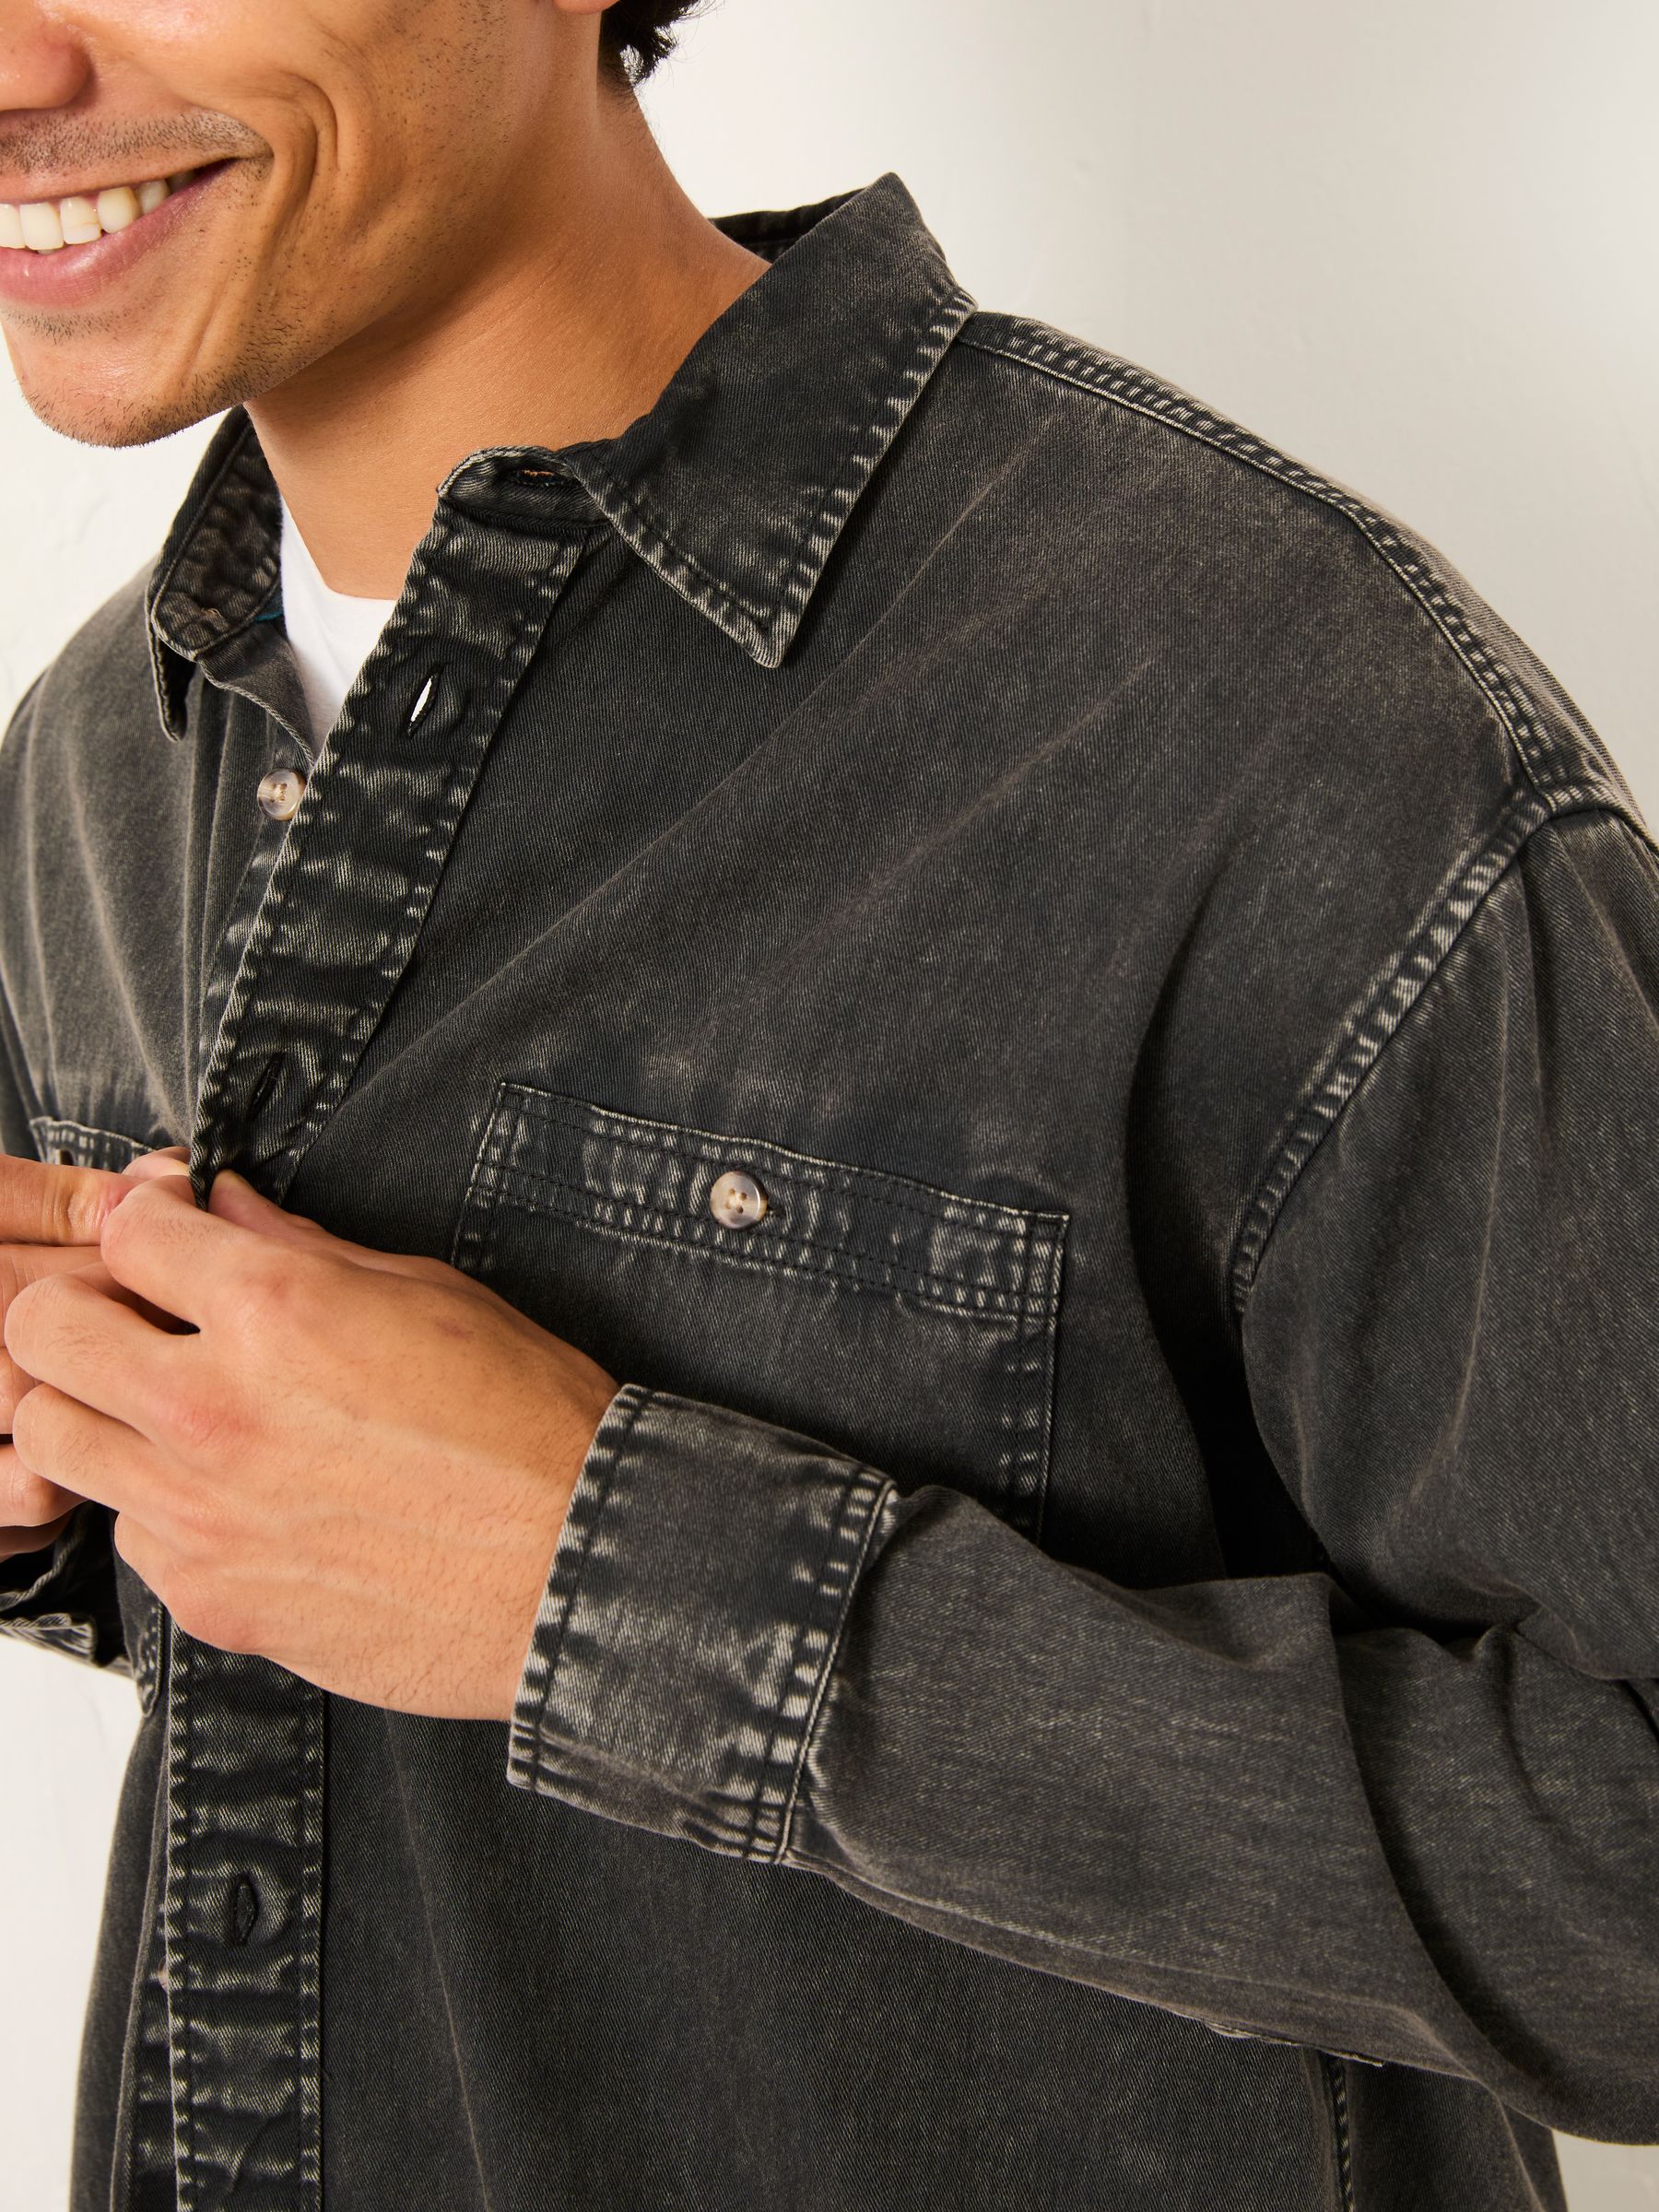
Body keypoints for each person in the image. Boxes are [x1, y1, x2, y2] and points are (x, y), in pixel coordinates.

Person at [1, 2, 1655, 2206]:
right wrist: (73, 1484)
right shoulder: (96, 756)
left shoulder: (1274, 715)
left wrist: (613, 1584)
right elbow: (319, 1630)